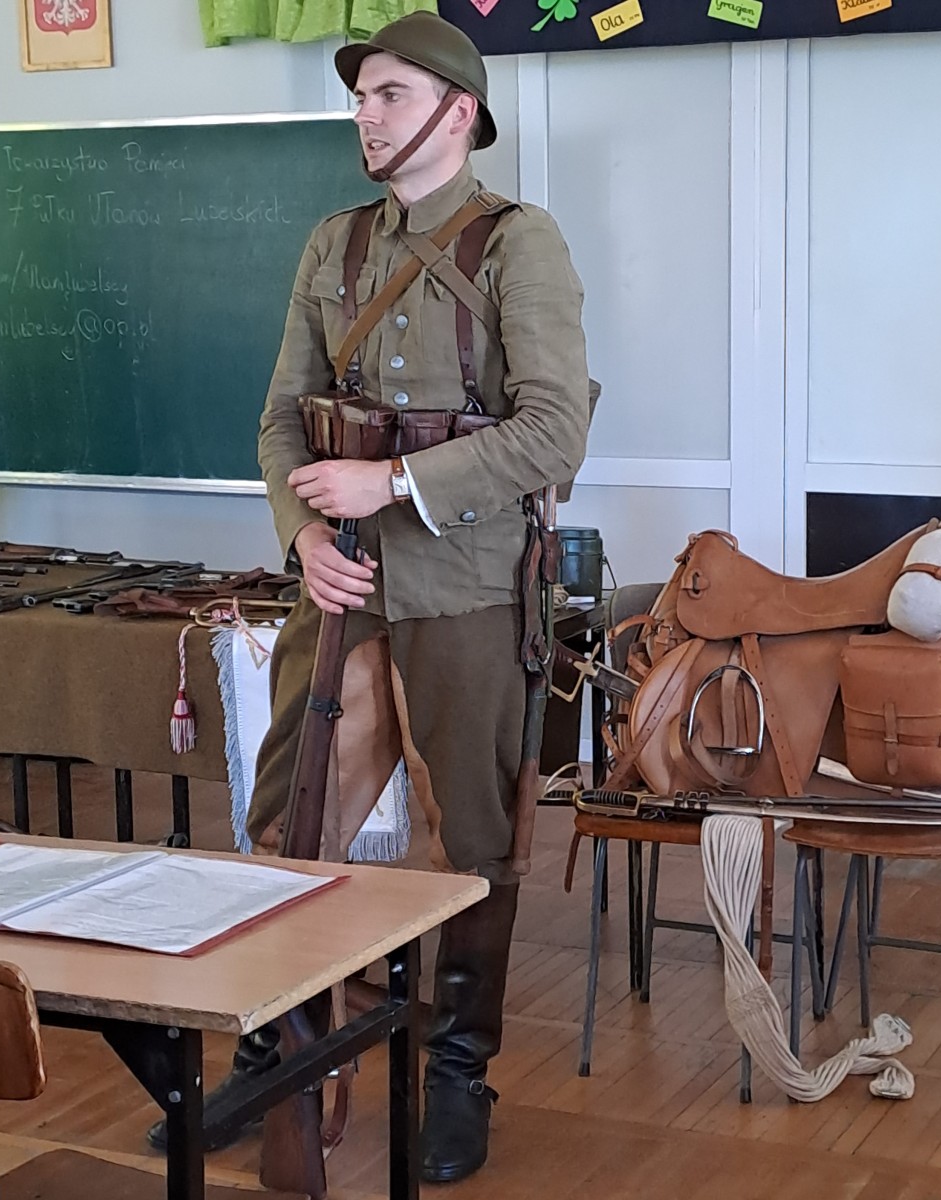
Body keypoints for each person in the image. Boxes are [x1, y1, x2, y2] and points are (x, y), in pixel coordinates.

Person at [147, 11, 591, 1183]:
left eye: (389, 95)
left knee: (471, 842)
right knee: (287, 823)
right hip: (339, 581)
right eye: (360, 97)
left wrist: (391, 483)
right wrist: (301, 534)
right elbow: (279, 419)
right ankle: (274, 1052)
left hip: (467, 589)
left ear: (457, 111)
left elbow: (553, 431)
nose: (366, 115)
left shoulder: (517, 243)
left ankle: (456, 1074)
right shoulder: (332, 243)